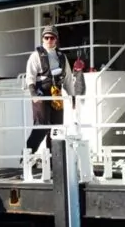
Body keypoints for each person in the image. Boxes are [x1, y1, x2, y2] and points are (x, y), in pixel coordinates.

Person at [24, 25, 86, 155]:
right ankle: (27, 156)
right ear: (43, 39)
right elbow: (30, 77)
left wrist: (72, 97)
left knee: (57, 128)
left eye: (52, 37)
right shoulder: (35, 56)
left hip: (56, 94)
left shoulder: (62, 57)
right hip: (41, 93)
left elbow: (68, 79)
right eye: (46, 37)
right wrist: (33, 94)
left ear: (56, 39)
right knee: (41, 126)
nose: (49, 40)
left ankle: (55, 163)